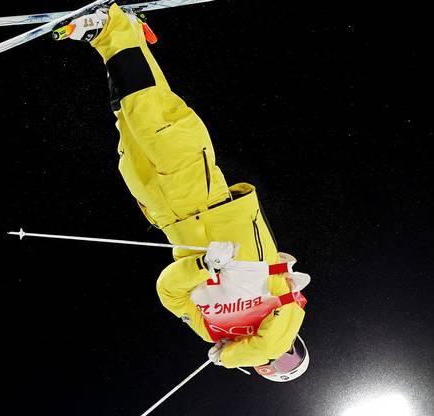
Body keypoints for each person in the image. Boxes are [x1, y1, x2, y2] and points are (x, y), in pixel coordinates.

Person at [59, 2, 311, 382]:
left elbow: (168, 293)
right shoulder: (282, 308)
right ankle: (110, 30)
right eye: (293, 358)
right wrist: (231, 358)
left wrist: (200, 268)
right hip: (209, 205)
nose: (279, 358)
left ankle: (127, 34)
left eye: (280, 368)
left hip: (168, 216)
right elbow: (272, 341)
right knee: (152, 120)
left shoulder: (210, 330)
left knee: (131, 129)